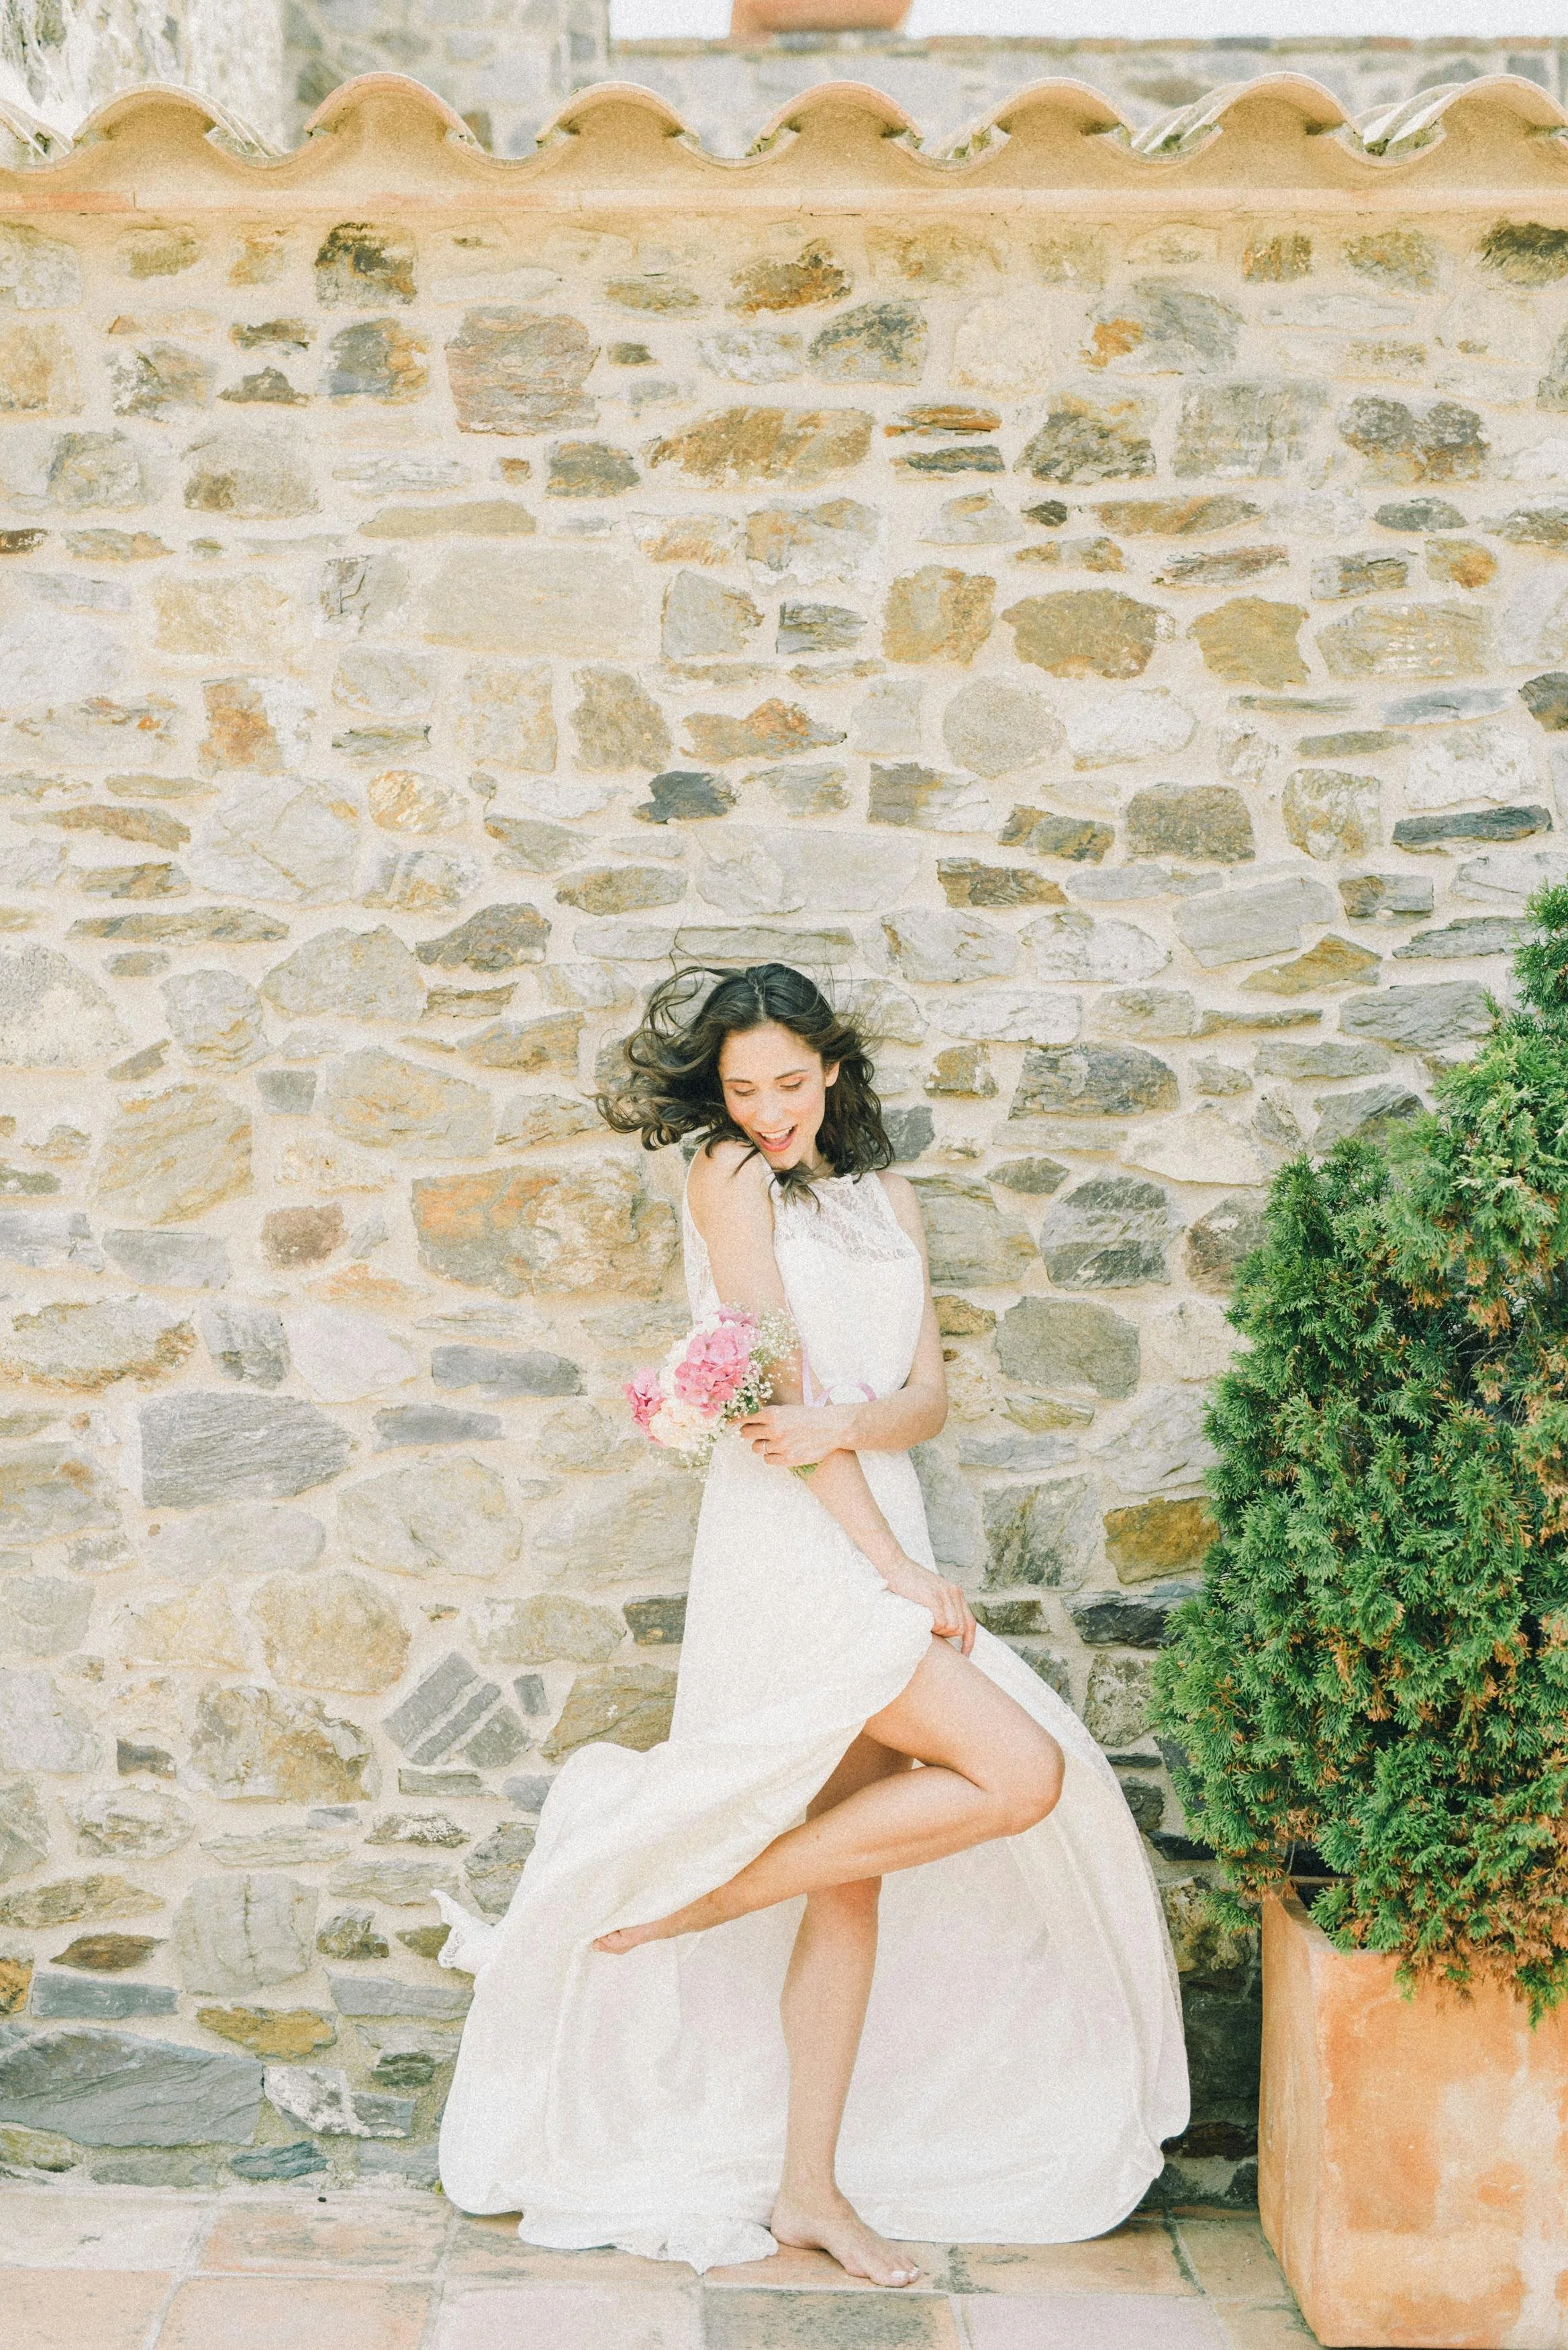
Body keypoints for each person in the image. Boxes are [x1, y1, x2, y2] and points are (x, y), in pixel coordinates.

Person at [434, 962, 1188, 2283]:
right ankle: (711, 1892)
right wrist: (888, 1557)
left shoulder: (883, 1195)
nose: (768, 1108)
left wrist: (860, 1432)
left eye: (788, 1081)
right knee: (1021, 1772)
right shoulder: (724, 1176)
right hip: (801, 1540)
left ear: (832, 1071)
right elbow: (767, 1387)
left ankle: (809, 2190)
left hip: (870, 1506)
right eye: (743, 1087)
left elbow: (926, 1396)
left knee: (848, 1886)